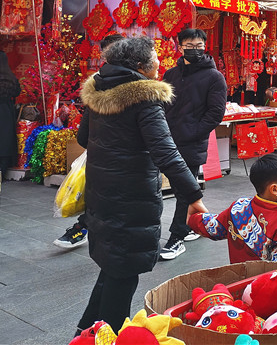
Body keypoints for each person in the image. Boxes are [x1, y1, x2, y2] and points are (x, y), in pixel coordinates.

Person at [75, 37, 207, 335]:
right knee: (123, 273)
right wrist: (193, 195)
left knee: (113, 267)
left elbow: (84, 138)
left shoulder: (98, 88)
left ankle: (85, 332)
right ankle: (108, 336)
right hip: (131, 198)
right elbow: (166, 153)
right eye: (155, 57)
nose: (159, 61)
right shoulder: (144, 98)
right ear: (140, 66)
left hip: (102, 192)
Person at [159, 28, 227, 261]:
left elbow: (215, 113)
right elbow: (162, 105)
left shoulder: (214, 77)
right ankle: (193, 224)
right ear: (180, 47)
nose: (195, 50)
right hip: (166, 140)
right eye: (190, 46)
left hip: (191, 143)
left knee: (183, 190)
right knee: (180, 188)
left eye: (199, 46)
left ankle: (177, 236)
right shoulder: (171, 74)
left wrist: (193, 133)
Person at [56, 33, 125, 250]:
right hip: (102, 148)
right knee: (98, 193)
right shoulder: (97, 80)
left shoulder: (138, 82)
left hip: (127, 152)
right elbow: (88, 115)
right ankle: (84, 227)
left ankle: (88, 228)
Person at [188, 153, 277, 263]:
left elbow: (214, 227)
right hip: (265, 277)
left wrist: (192, 218)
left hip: (237, 275)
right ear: (274, 189)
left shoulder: (240, 207)